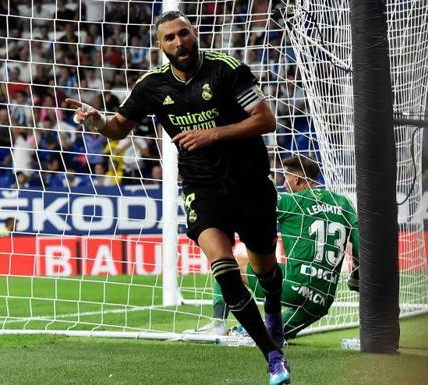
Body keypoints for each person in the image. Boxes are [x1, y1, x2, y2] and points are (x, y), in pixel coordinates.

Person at [65, 10, 290, 385]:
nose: (178, 42)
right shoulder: (152, 85)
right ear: (160, 45)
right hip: (202, 188)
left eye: (183, 34)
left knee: (265, 269)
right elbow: (118, 129)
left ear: (194, 33)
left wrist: (212, 134)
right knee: (223, 268)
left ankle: (273, 308)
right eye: (169, 38)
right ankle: (272, 355)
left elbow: (266, 120)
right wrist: (96, 121)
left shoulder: (227, 69)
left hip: (250, 184)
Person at [187, 155, 360, 339]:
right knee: (269, 334)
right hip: (322, 301)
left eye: (286, 178)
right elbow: (359, 236)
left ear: (297, 180)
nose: (285, 183)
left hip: (292, 287)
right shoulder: (344, 203)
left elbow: (250, 213)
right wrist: (357, 271)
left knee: (229, 262)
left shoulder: (290, 203)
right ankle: (256, 332)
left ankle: (218, 324)